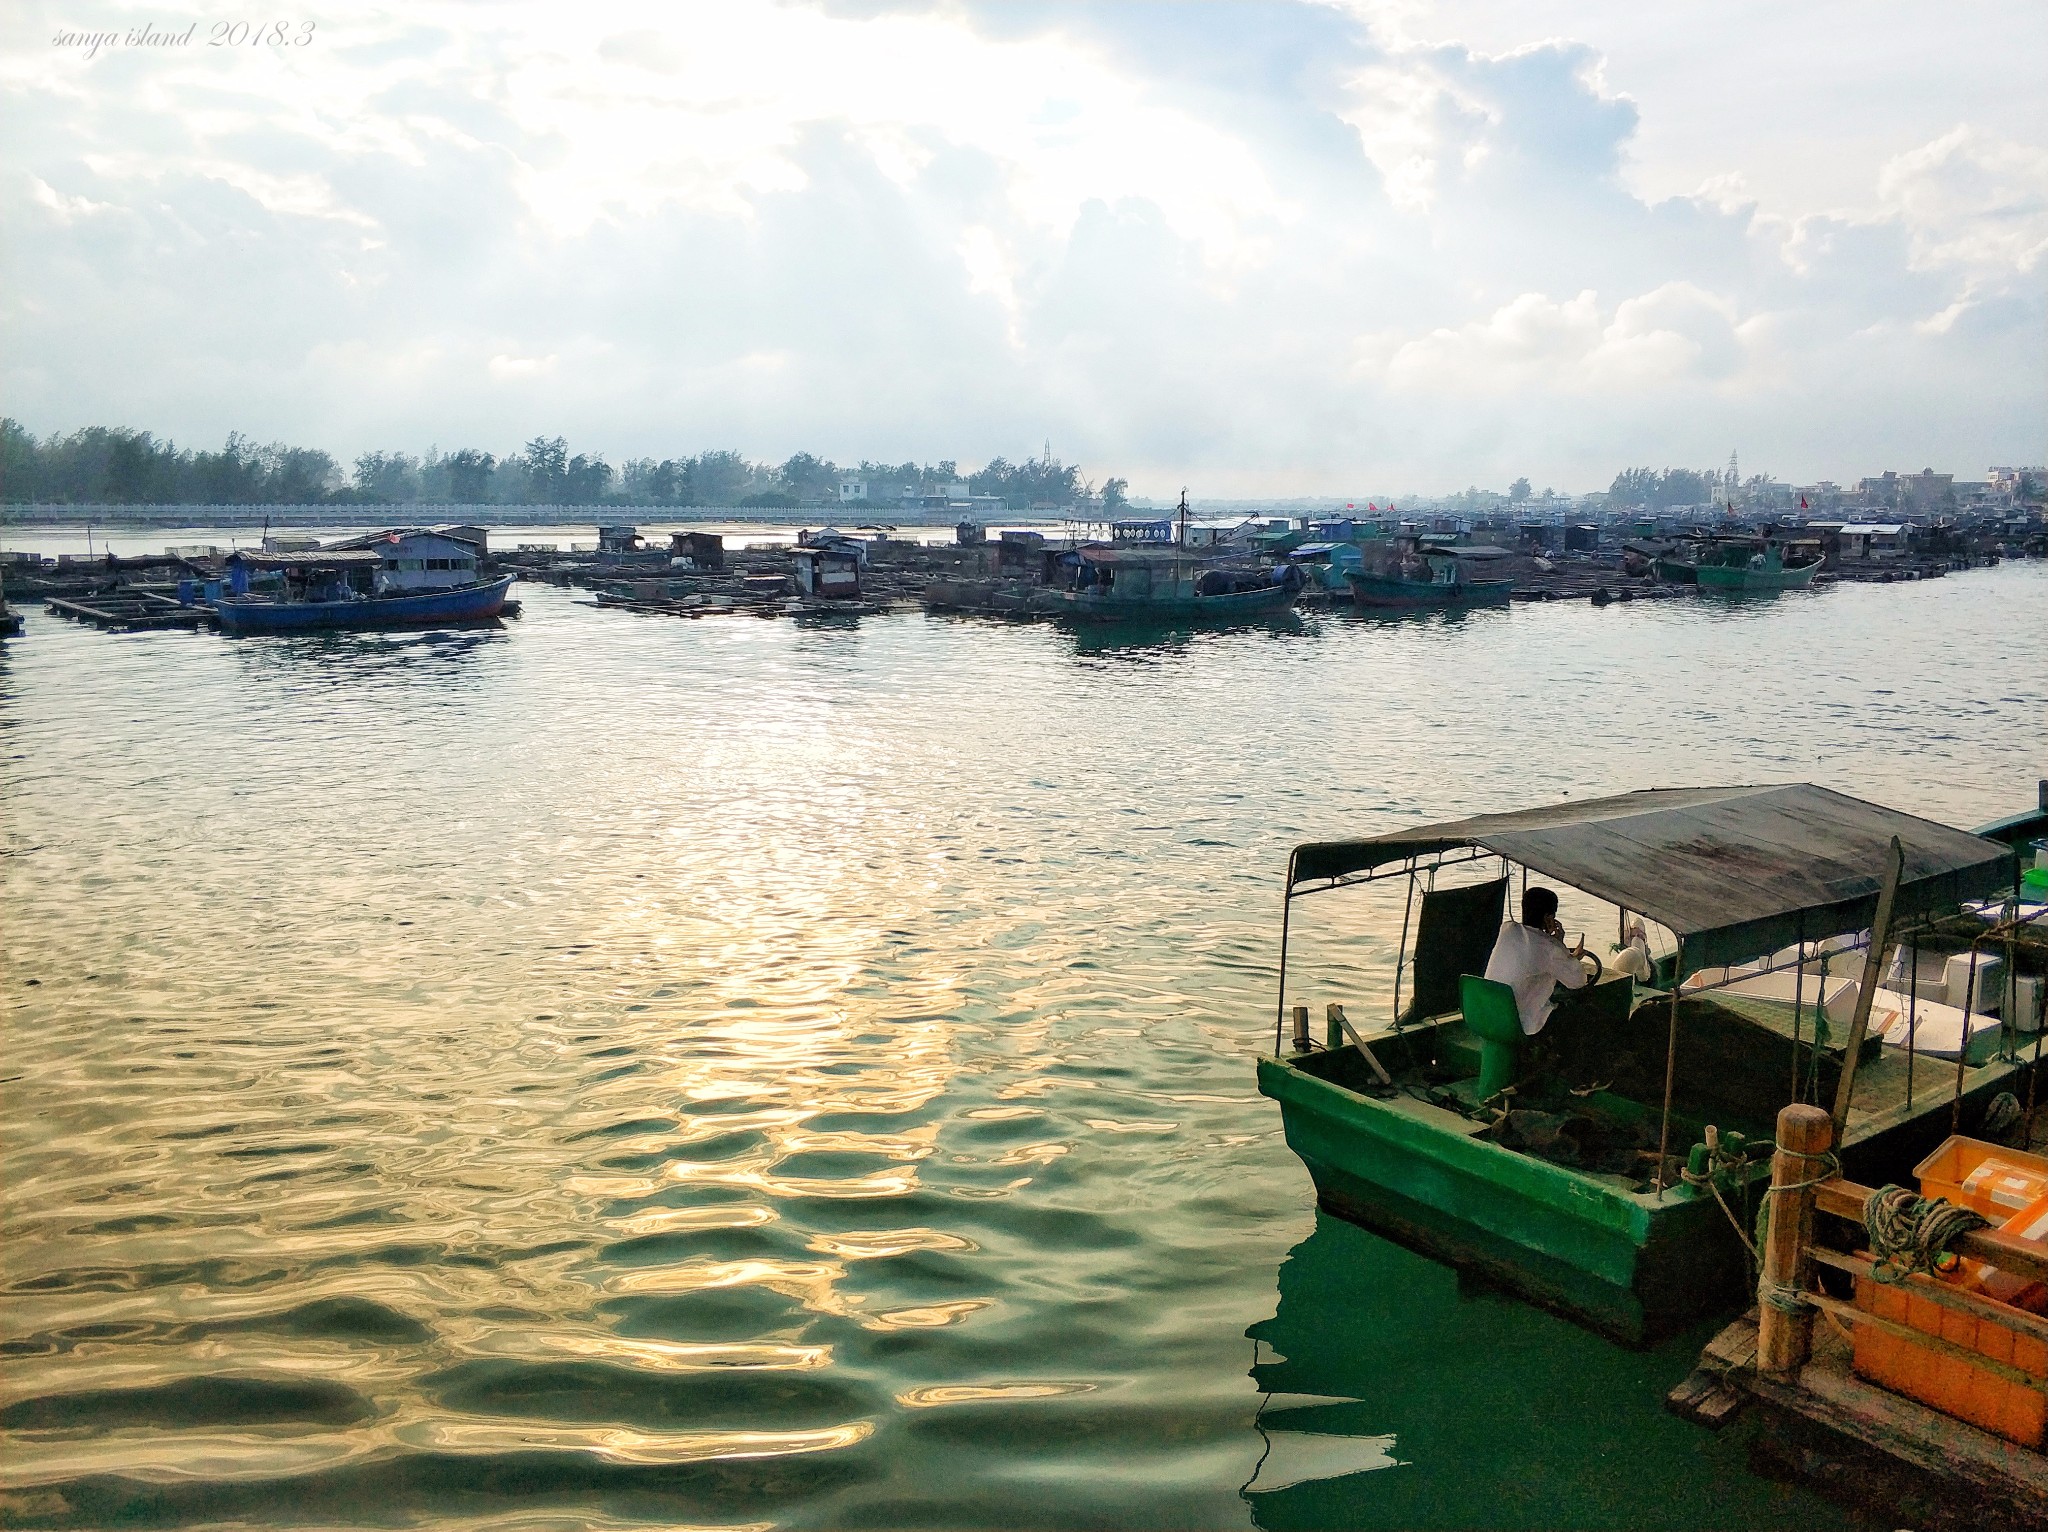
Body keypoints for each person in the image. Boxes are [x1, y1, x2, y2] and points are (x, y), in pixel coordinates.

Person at [1483, 886, 1590, 1036]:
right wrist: (1561, 946)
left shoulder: (1507, 929)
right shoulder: (1549, 947)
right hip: (1516, 1022)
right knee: (1581, 1014)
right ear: (1549, 918)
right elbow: (1578, 981)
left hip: (1484, 1015)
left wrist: (1558, 948)